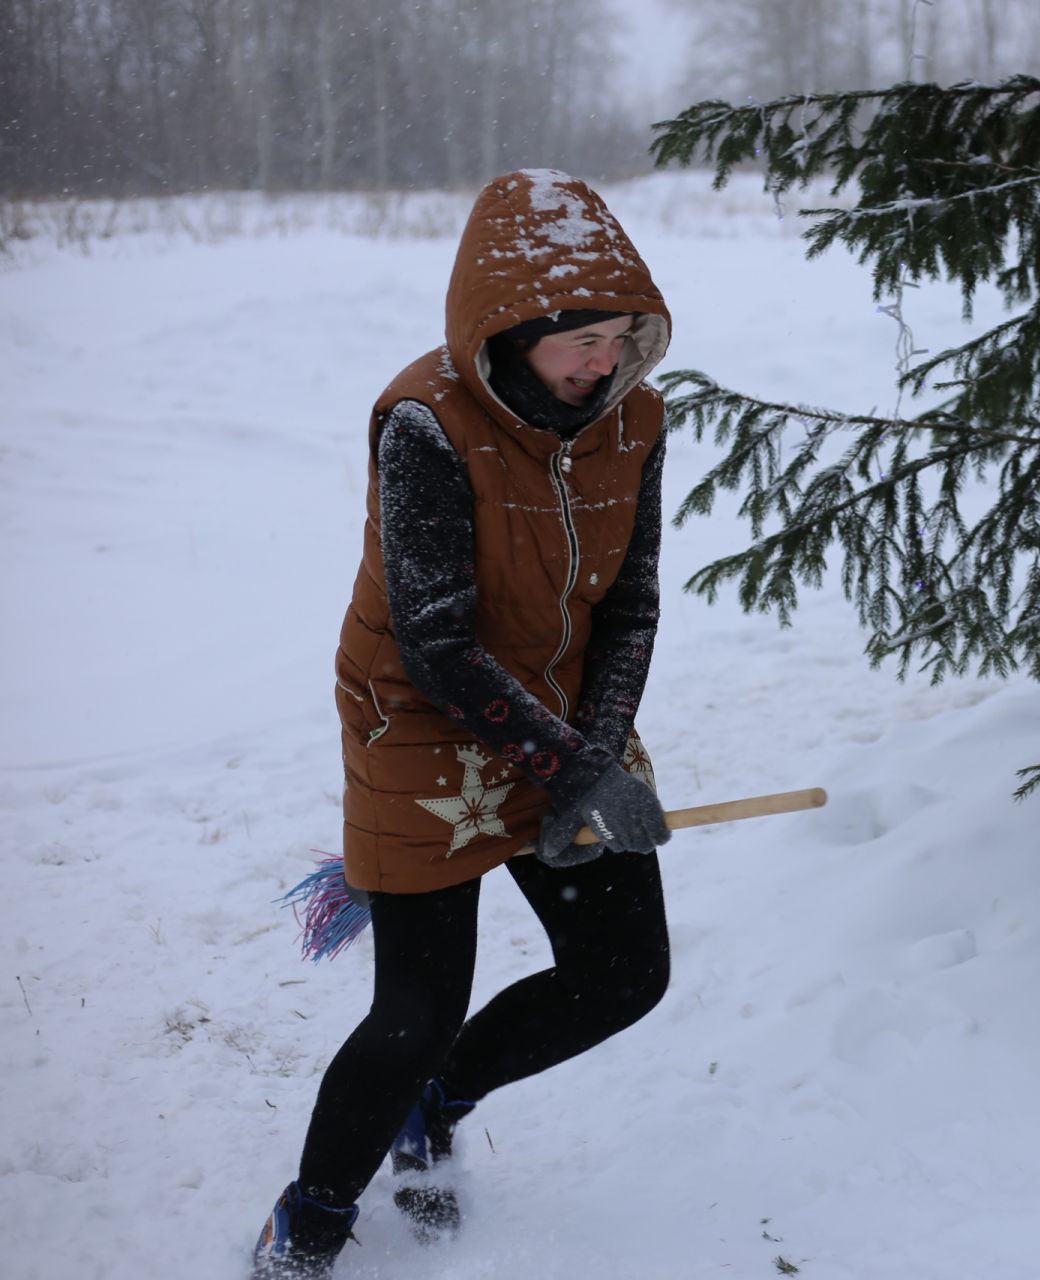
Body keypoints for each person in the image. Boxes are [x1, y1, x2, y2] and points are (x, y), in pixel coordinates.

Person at [249, 169, 677, 1278]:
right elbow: (436, 638)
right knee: (415, 1010)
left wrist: (592, 756)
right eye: (580, 339)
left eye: (623, 334)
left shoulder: (635, 415)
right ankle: (311, 1219)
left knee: (623, 971)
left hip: (566, 711)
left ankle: (437, 1107)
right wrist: (571, 766)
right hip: (425, 715)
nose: (604, 361)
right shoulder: (425, 420)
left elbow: (630, 598)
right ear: (511, 328)